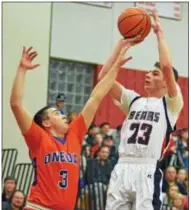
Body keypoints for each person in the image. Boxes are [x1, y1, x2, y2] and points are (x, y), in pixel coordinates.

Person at [10, 40, 134, 210]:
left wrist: (116, 67)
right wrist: (22, 69)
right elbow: (16, 104)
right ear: (46, 123)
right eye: (56, 113)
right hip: (38, 207)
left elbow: (96, 97)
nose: (62, 115)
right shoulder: (38, 139)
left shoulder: (74, 134)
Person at [98, 10, 184, 210]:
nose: (148, 75)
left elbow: (167, 65)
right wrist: (121, 46)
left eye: (154, 74)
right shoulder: (133, 100)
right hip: (122, 166)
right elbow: (104, 78)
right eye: (148, 72)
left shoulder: (170, 103)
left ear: (166, 81)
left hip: (147, 167)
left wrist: (159, 34)